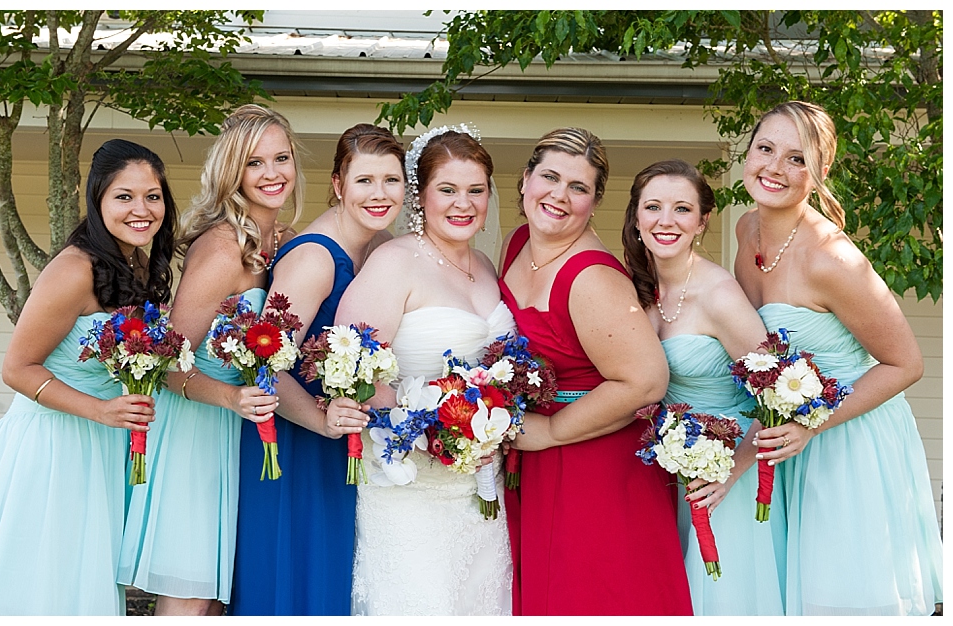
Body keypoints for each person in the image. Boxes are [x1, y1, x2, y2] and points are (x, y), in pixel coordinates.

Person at [734, 101, 943, 616]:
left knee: (837, 598)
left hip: (847, 438)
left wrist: (812, 424)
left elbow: (905, 363)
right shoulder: (745, 230)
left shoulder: (834, 259)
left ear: (820, 172)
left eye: (796, 159)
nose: (774, 168)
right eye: (765, 149)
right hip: (782, 439)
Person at [0, 139, 177, 615]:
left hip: (101, 448)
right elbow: (16, 368)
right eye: (124, 196)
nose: (141, 209)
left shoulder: (138, 265)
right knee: (43, 585)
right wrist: (101, 409)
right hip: (52, 447)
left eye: (153, 195)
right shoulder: (75, 269)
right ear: (97, 200)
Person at [499, 128, 692, 616]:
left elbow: (646, 382)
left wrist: (549, 432)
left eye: (578, 187)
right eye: (549, 177)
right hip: (536, 461)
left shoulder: (592, 276)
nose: (559, 196)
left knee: (596, 594)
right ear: (525, 180)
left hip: (596, 466)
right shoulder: (516, 243)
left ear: (595, 200)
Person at [117, 104, 299, 615]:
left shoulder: (281, 242)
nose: (272, 174)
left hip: (237, 433)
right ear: (231, 172)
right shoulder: (222, 249)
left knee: (219, 601)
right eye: (254, 163)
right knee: (193, 597)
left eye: (281, 159)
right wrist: (232, 396)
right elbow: (169, 363)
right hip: (200, 431)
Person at [334, 124, 514, 616]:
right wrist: (438, 427)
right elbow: (353, 375)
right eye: (448, 190)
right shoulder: (395, 262)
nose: (464, 204)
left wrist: (484, 428)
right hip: (409, 484)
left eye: (476, 190)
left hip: (480, 482)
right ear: (421, 195)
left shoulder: (484, 265)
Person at [229, 124, 404, 616]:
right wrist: (320, 420)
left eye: (391, 180)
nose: (379, 194)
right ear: (337, 184)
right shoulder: (314, 258)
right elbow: (262, 367)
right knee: (299, 579)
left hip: (344, 439)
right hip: (296, 443)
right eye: (365, 180)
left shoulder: (380, 244)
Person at [622, 159, 785, 615]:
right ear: (636, 217)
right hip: (668, 474)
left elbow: (782, 397)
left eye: (681, 209)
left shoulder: (718, 294)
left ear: (702, 221)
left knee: (722, 601)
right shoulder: (639, 289)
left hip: (727, 477)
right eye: (653, 207)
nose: (666, 221)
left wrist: (733, 468)